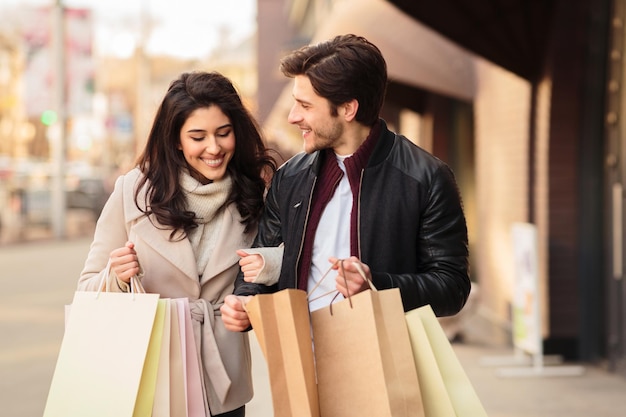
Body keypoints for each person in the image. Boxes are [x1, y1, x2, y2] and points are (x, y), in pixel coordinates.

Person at [221, 33, 470, 332]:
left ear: (348, 109)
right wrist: (246, 302)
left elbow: (451, 287)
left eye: (305, 105)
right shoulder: (289, 178)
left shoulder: (426, 178)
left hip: (383, 360)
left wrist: (377, 285)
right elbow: (262, 260)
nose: (292, 116)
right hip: (298, 356)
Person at [77, 71, 277, 417]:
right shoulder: (133, 192)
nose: (213, 148)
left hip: (223, 381)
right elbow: (87, 290)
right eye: (198, 136)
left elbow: (282, 268)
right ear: (176, 140)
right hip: (151, 371)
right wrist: (117, 276)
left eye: (223, 133)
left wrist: (264, 275)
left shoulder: (254, 194)